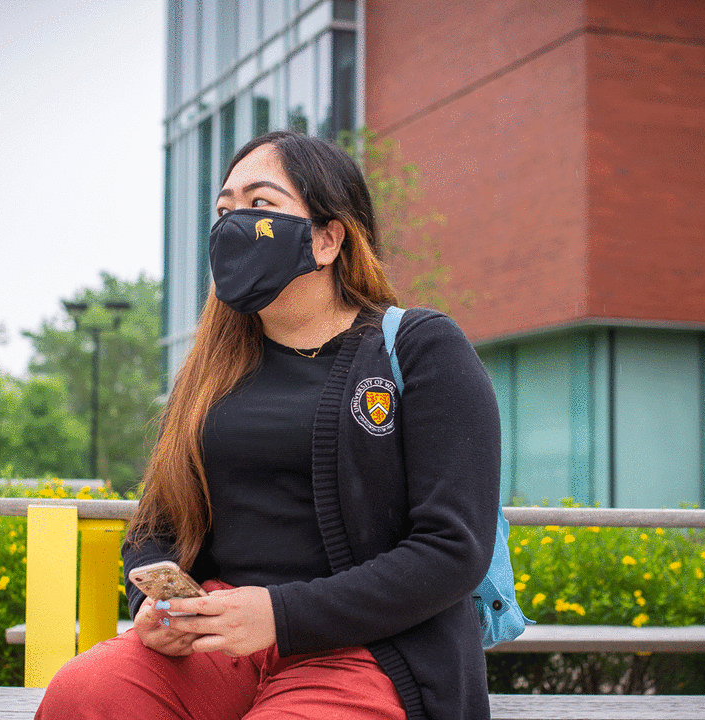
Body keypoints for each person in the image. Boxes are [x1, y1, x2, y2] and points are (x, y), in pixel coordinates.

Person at [35, 131, 501, 720]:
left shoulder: (420, 348)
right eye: (224, 210)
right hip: (219, 640)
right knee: (86, 695)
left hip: (369, 649)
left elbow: (453, 548)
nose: (234, 225)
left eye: (260, 206)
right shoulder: (209, 371)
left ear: (328, 238)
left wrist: (280, 615)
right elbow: (157, 523)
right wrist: (153, 603)